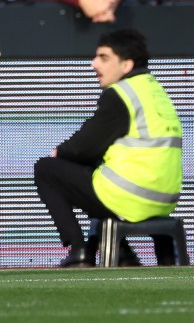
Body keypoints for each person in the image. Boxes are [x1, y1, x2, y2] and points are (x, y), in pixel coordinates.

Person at [33, 29, 183, 268]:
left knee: (46, 169)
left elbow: (83, 147)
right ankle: (123, 255)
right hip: (165, 199)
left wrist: (60, 153)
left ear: (126, 65)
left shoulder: (121, 94)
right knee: (95, 174)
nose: (94, 64)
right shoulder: (155, 91)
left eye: (103, 57)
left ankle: (79, 251)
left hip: (130, 196)